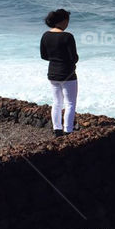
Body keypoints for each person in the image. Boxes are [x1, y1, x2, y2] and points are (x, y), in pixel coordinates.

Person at [40, 8, 78, 137]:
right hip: (68, 74)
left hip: (52, 73)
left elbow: (44, 56)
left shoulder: (46, 35)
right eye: (67, 21)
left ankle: (57, 129)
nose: (67, 24)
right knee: (70, 103)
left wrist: (56, 59)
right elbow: (74, 58)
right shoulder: (67, 36)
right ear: (62, 21)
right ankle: (68, 130)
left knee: (56, 102)